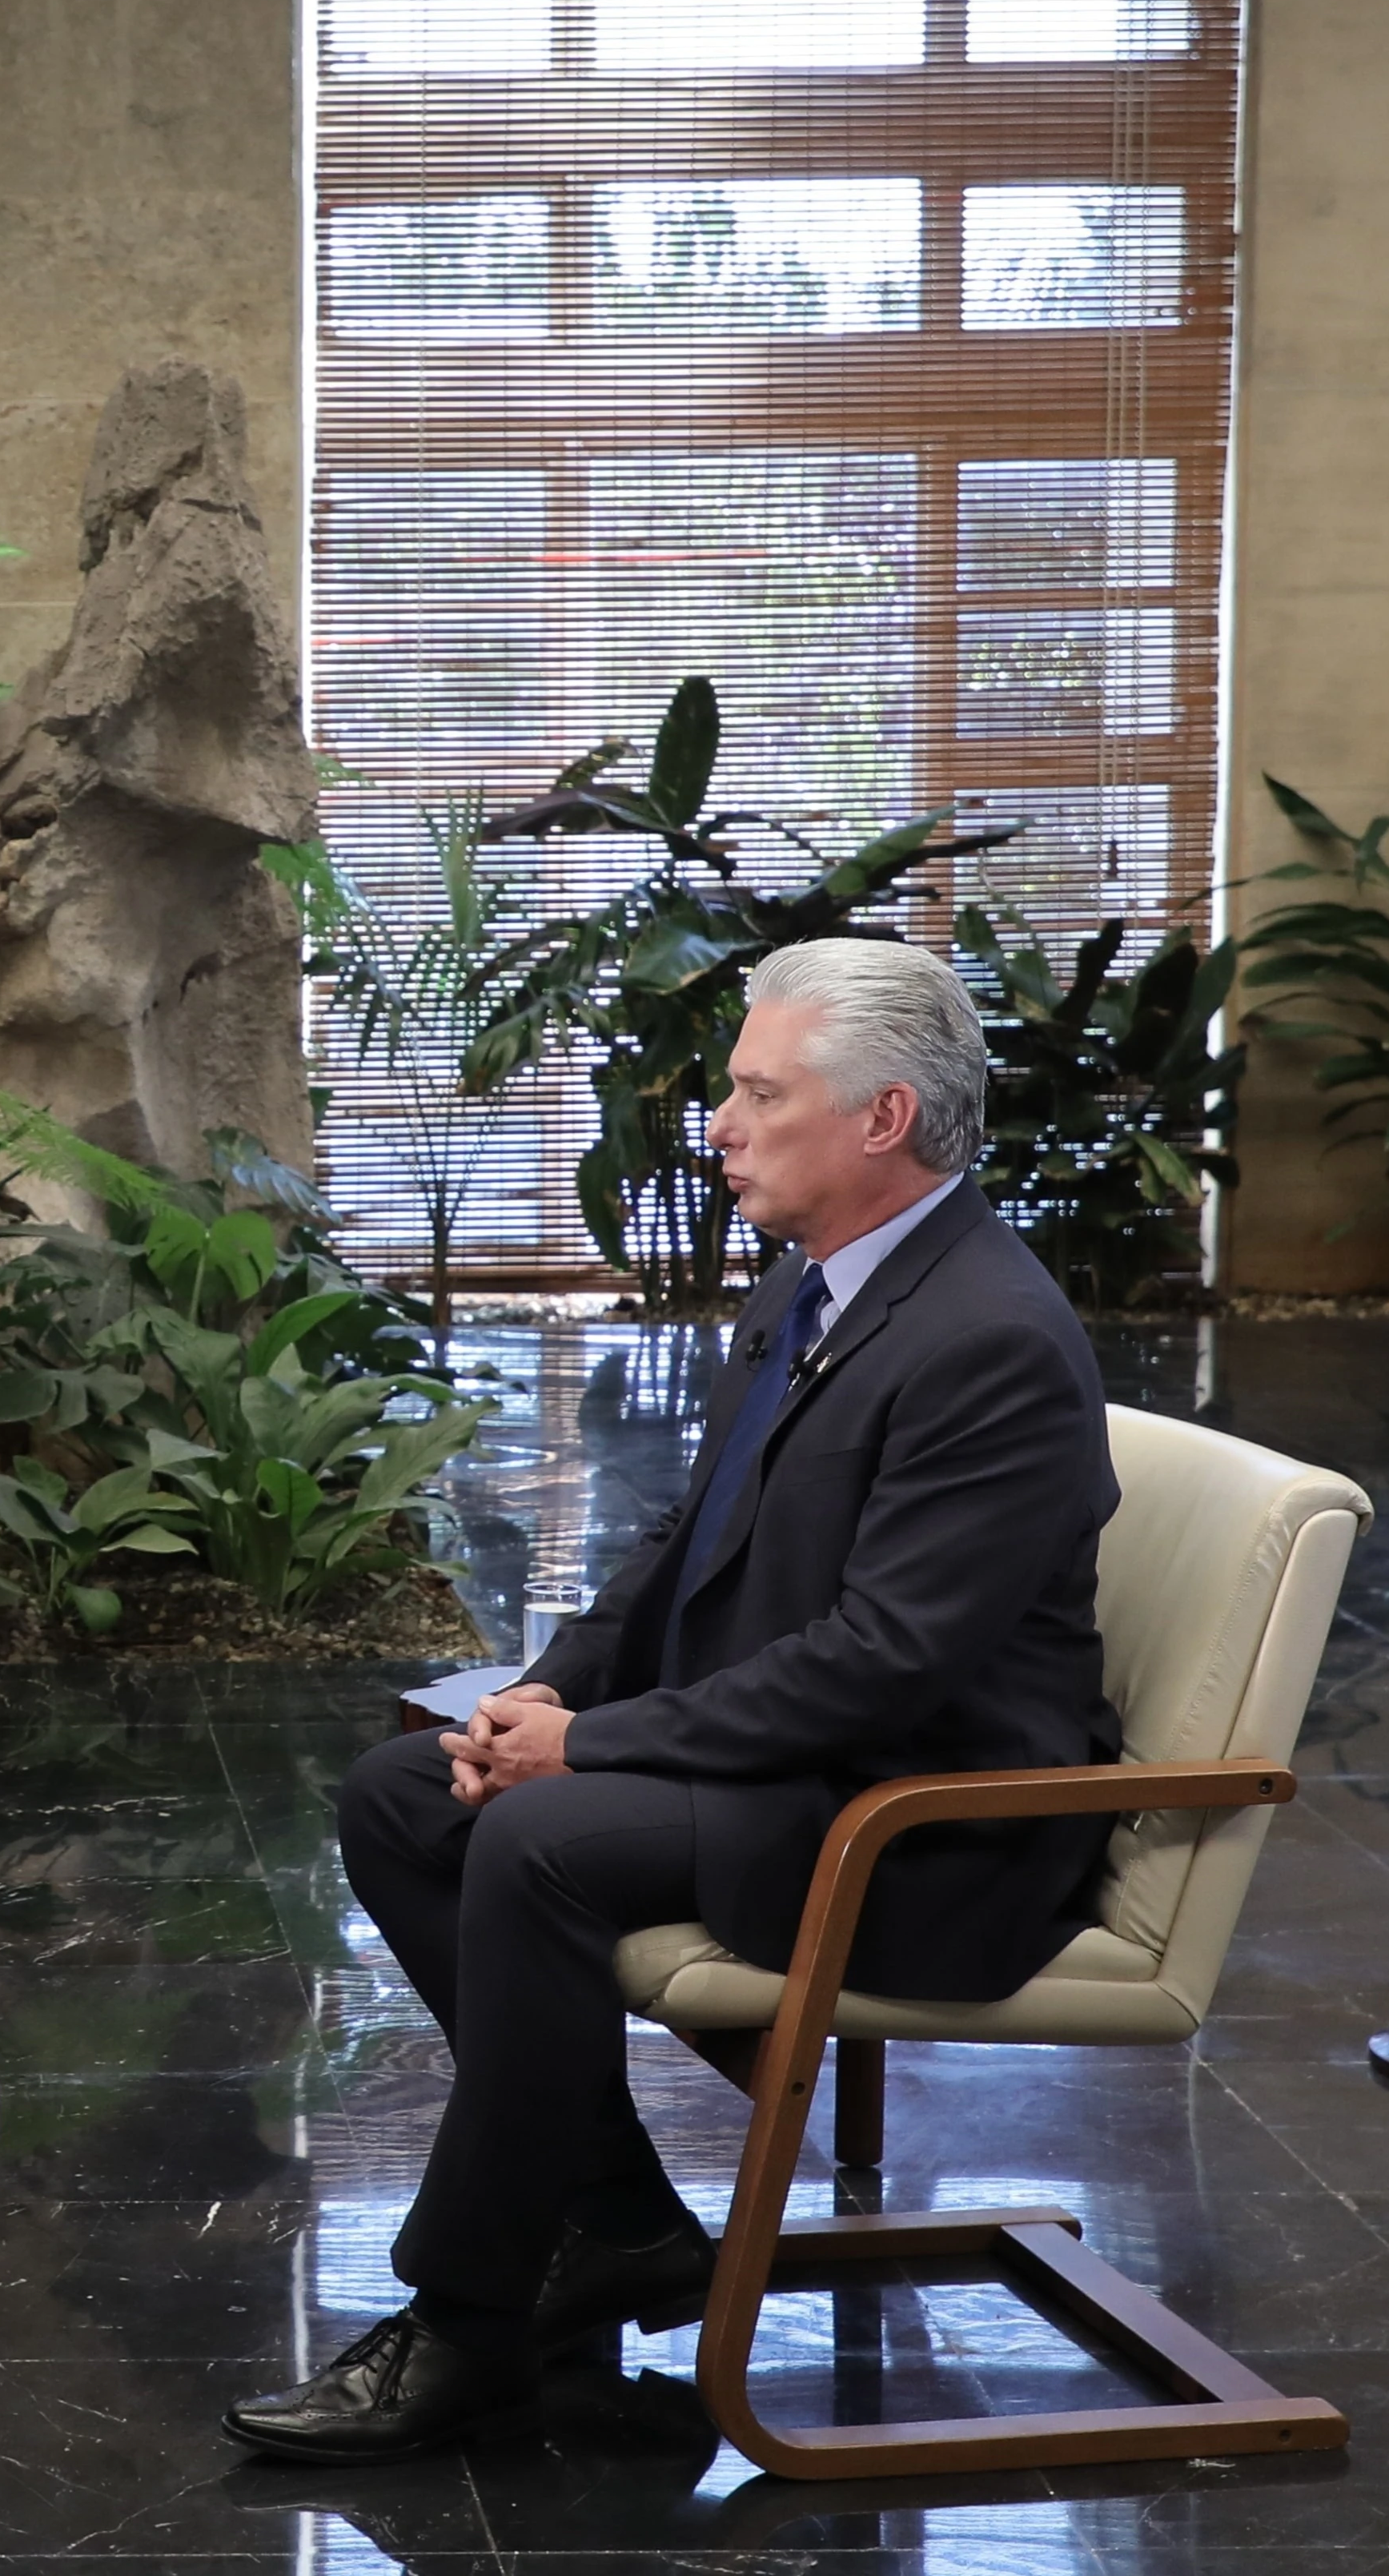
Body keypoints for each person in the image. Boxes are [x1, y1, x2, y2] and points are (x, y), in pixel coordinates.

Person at [225, 938, 1128, 2463]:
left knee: (539, 1843)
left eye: (757, 1092)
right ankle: (625, 2222)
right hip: (803, 1768)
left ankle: (471, 2315)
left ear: (882, 1121)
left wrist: (592, 1750)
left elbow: (886, 1663)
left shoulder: (990, 1339)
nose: (715, 1119)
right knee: (407, 1794)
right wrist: (544, 1694)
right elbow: (681, 1540)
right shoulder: (823, 1285)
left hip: (925, 1827)